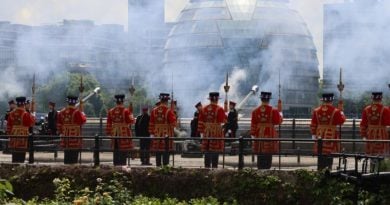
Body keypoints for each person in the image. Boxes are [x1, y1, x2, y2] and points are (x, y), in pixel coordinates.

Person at [310, 93, 346, 170]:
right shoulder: (336, 111)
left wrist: (313, 134)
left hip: (319, 134)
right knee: (329, 153)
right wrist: (342, 112)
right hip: (331, 134)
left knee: (320, 152)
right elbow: (341, 121)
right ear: (331, 100)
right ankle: (328, 170)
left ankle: (320, 169)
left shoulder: (316, 110)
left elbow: (313, 124)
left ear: (323, 100)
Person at [250, 92, 283, 169]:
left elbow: (253, 124)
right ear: (269, 100)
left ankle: (260, 168)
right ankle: (267, 169)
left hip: (258, 134)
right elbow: (278, 121)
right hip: (269, 133)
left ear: (261, 99)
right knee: (268, 152)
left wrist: (253, 135)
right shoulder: (273, 110)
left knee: (259, 152)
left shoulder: (255, 111)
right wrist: (280, 113)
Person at [198, 92, 227, 168]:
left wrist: (201, 133)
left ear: (210, 99)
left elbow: (200, 122)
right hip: (216, 132)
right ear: (217, 99)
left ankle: (206, 167)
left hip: (206, 131)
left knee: (207, 150)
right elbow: (223, 121)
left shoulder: (204, 109)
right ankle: (214, 167)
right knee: (215, 150)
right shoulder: (220, 109)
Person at [106, 94, 135, 166]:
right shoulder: (126, 111)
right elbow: (131, 121)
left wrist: (109, 132)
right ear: (123, 101)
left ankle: (115, 163)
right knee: (123, 149)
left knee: (115, 148)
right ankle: (122, 164)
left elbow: (109, 123)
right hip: (123, 131)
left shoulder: (111, 111)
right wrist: (131, 113)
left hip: (114, 132)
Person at [149, 93, 176, 166]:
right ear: (167, 101)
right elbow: (173, 124)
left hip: (156, 132)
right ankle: (165, 166)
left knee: (158, 151)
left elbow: (151, 123)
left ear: (160, 100)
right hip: (166, 133)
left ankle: (158, 165)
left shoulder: (154, 110)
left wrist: (151, 133)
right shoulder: (169, 111)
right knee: (166, 150)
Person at [57, 95, 86, 164]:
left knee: (66, 152)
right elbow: (82, 121)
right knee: (74, 152)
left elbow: (59, 124)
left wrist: (62, 132)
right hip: (74, 135)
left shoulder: (62, 112)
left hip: (65, 135)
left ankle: (66, 164)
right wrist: (82, 113)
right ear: (75, 102)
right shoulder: (76, 112)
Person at [7, 97, 35, 163]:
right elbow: (31, 123)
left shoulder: (11, 113)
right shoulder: (25, 114)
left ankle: (14, 164)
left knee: (15, 152)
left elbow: (8, 125)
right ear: (23, 104)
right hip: (22, 135)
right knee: (21, 151)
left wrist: (10, 133)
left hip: (13, 134)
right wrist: (33, 115)